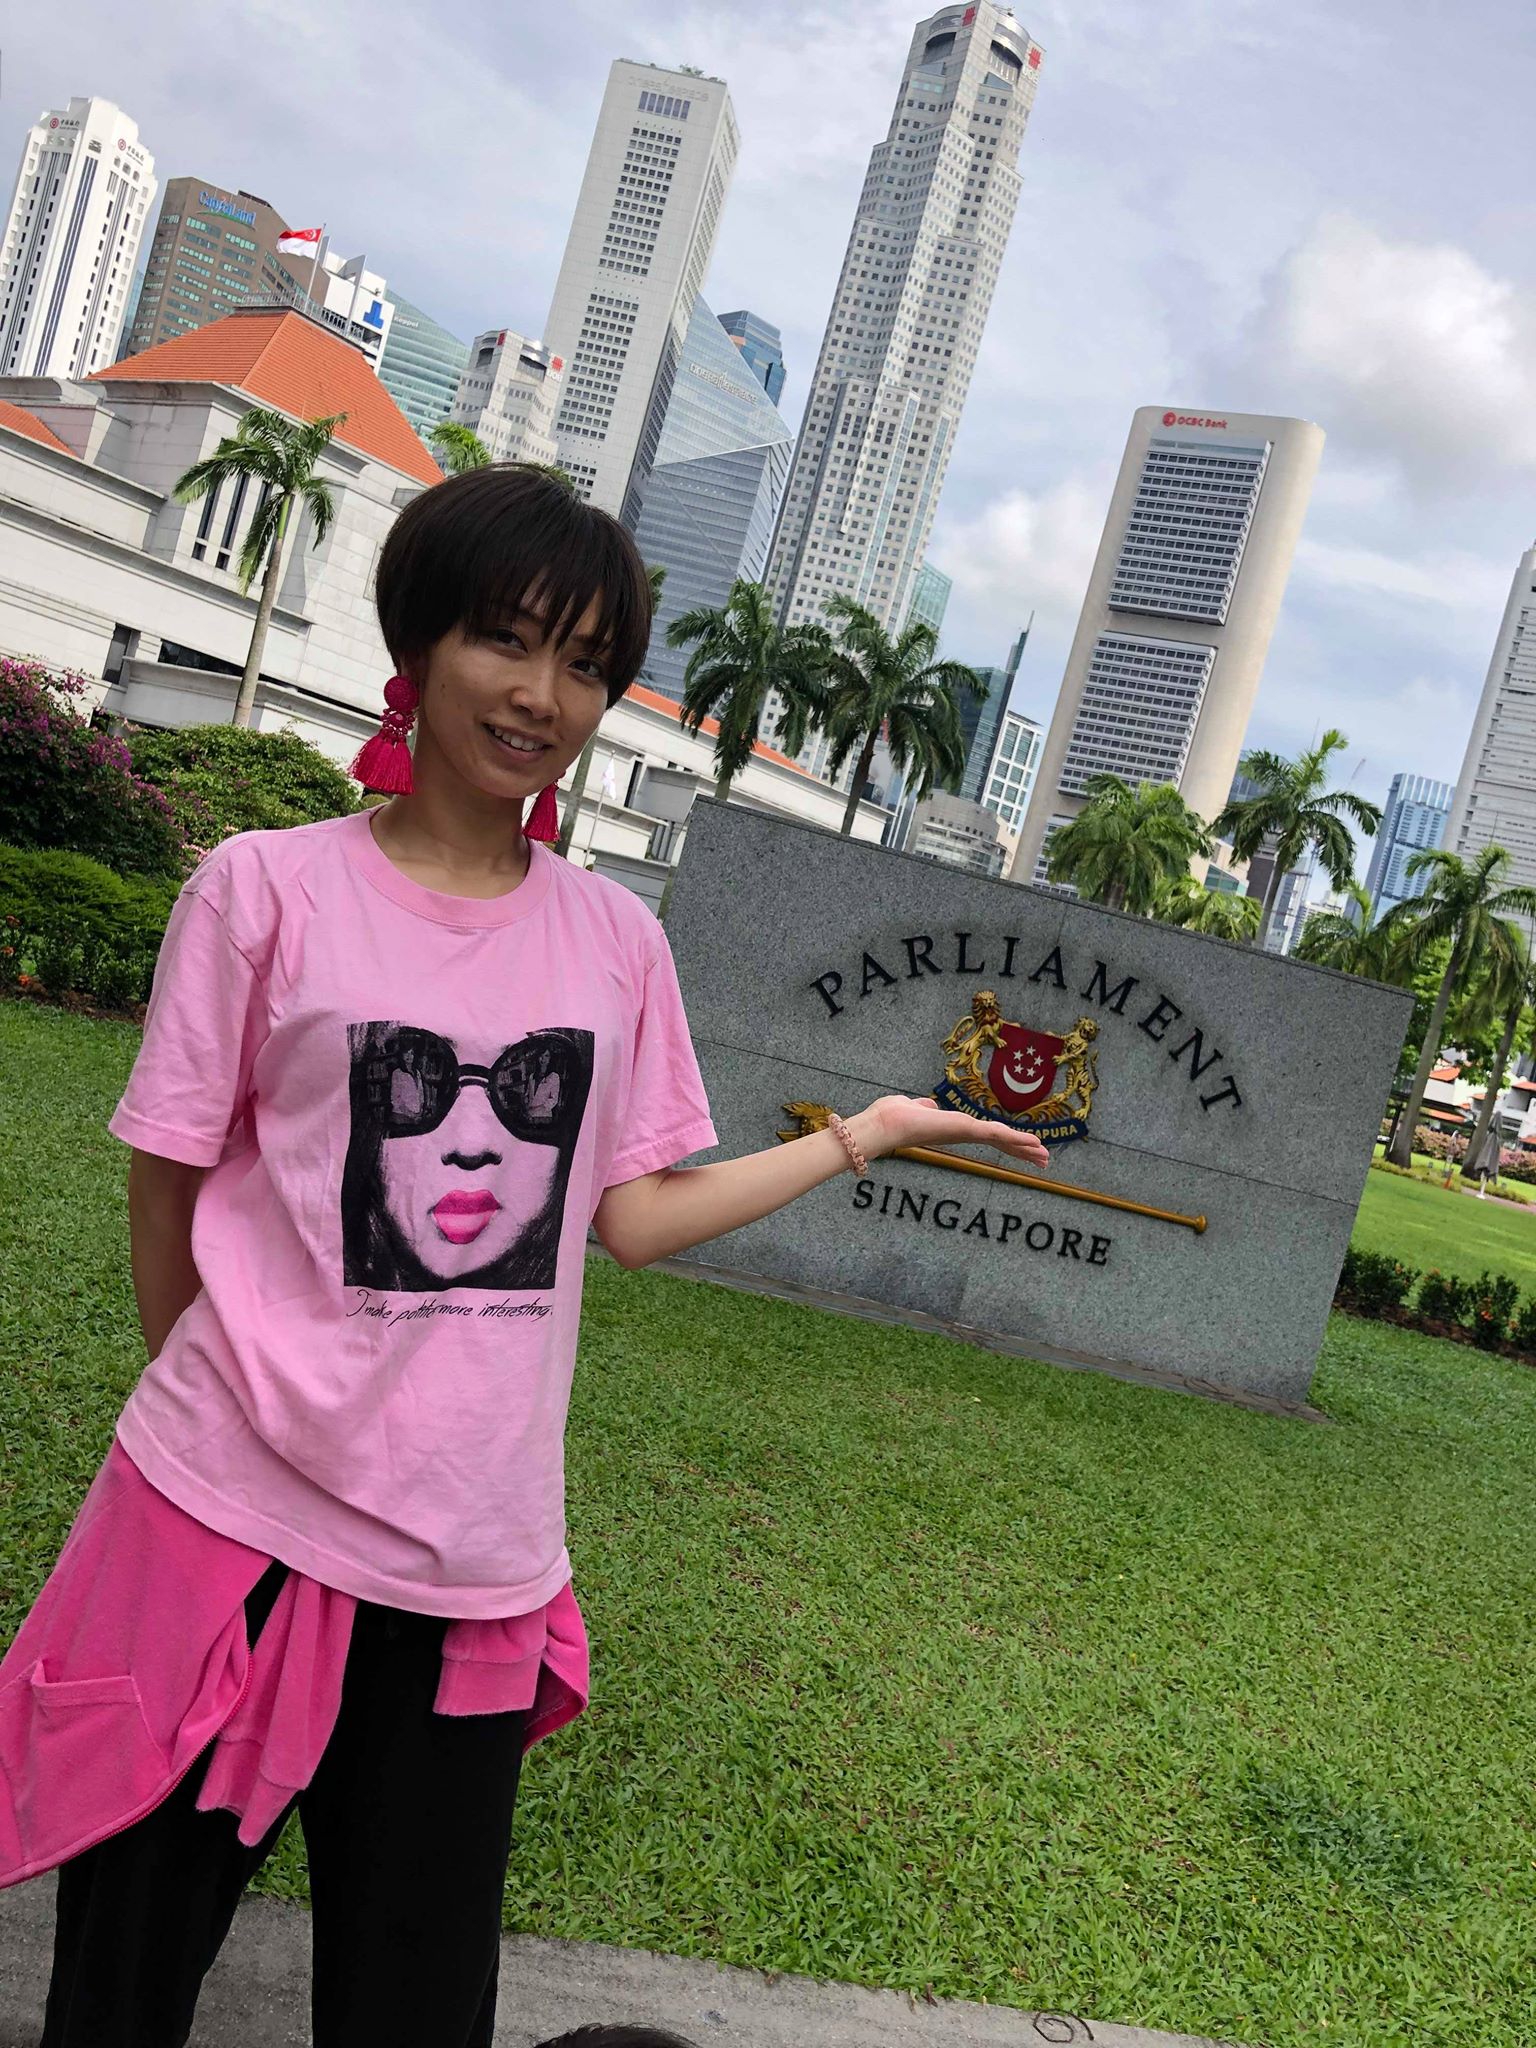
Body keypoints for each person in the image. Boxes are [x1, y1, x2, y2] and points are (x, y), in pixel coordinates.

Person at [0, 466, 1049, 2048]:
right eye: (505, 639)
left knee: (414, 2009)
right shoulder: (264, 889)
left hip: (466, 1559)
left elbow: (632, 1216)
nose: (541, 695)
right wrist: (224, 1407)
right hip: (224, 1530)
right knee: (120, 1989)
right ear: (416, 647)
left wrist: (867, 1135)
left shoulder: (613, 942)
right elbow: (169, 1185)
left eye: (585, 664)